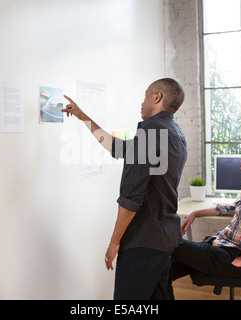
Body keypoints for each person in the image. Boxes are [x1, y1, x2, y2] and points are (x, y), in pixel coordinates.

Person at [62, 78, 187, 300]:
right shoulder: (174, 131)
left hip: (144, 243)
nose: (142, 101)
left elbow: (131, 199)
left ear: (157, 97)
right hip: (165, 238)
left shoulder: (150, 133)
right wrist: (83, 117)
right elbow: (117, 147)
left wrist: (114, 242)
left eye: (146, 94)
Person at [168, 134, 241, 299]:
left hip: (235, 257)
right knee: (163, 271)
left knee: (171, 243)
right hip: (222, 248)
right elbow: (232, 208)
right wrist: (196, 213)